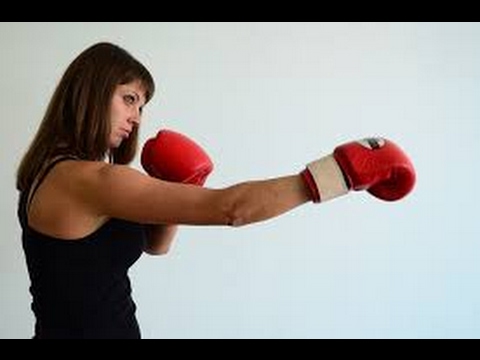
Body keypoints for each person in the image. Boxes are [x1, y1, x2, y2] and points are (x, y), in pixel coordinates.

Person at [16, 42, 416, 340]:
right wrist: (338, 173)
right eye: (129, 99)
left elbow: (156, 245)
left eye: (142, 106)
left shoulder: (49, 172)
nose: (136, 117)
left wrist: (178, 186)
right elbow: (232, 209)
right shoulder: (94, 181)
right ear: (90, 91)